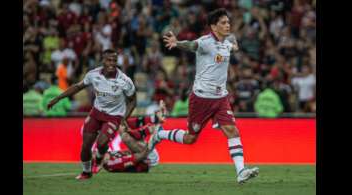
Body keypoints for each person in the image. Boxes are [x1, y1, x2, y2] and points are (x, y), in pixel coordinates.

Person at [152, 8, 259, 184]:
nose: (227, 25)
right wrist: (178, 43)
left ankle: (241, 171)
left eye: (228, 22)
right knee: (190, 138)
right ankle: (160, 134)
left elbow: (233, 45)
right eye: (223, 23)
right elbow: (192, 45)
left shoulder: (226, 43)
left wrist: (233, 42)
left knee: (232, 130)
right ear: (213, 26)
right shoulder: (205, 42)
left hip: (221, 98)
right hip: (201, 98)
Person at [47, 49, 137, 180]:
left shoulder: (125, 81)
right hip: (96, 113)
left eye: (114, 60)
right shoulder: (93, 74)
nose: (112, 63)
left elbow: (133, 100)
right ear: (102, 60)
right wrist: (58, 98)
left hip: (114, 116)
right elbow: (78, 87)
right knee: (86, 146)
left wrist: (124, 118)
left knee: (101, 143)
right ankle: (86, 172)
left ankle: (100, 157)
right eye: (108, 60)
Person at [100, 100, 168, 173]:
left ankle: (155, 119)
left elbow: (129, 152)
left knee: (121, 126)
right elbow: (139, 157)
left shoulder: (107, 155)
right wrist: (152, 142)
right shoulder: (112, 163)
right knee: (125, 136)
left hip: (143, 154)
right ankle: (155, 126)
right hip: (147, 158)